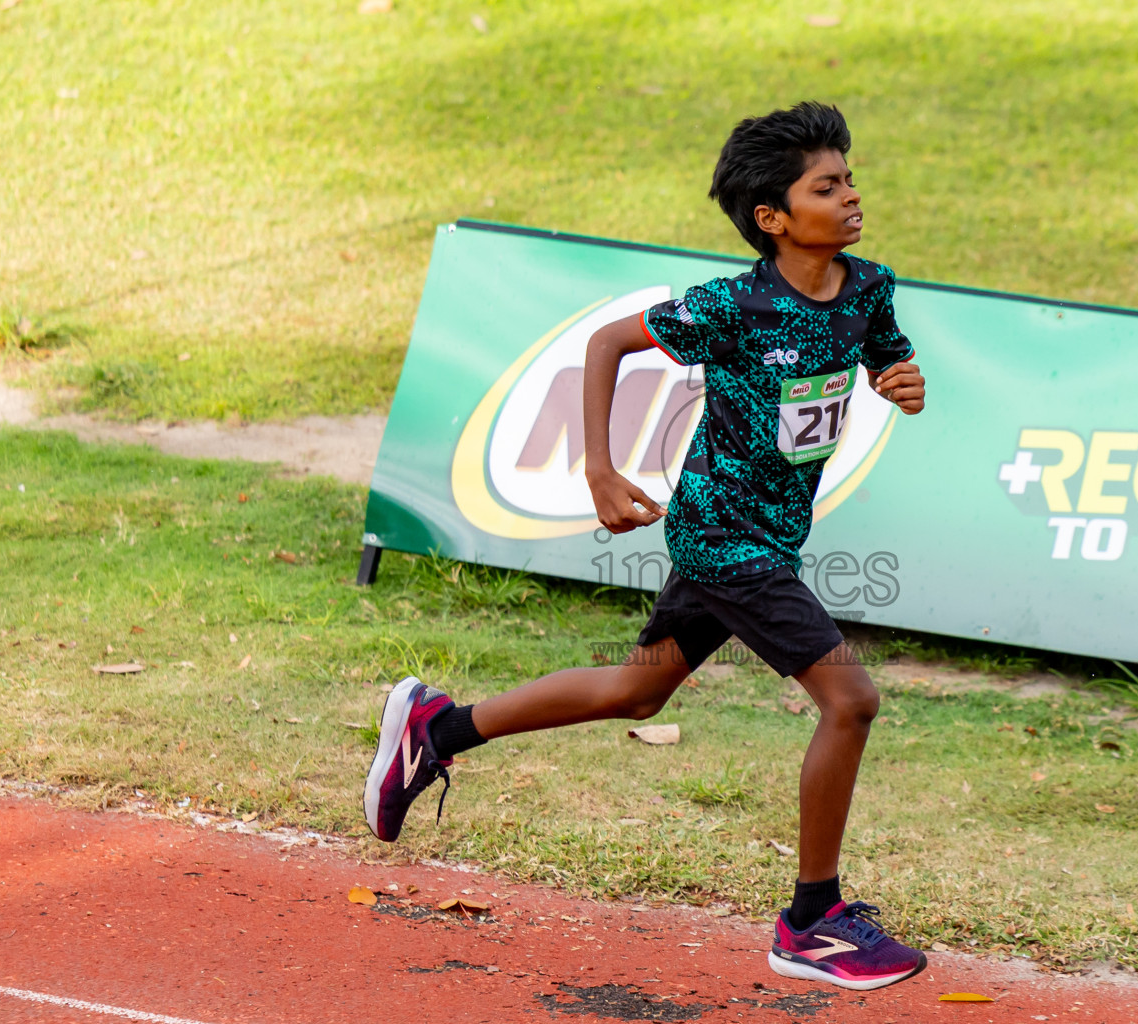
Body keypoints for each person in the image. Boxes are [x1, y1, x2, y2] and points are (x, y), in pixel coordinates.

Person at [363, 100, 928, 991]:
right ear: (774, 219)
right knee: (850, 700)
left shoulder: (868, 288)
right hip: (721, 537)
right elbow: (607, 343)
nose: (852, 195)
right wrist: (599, 467)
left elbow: (883, 361)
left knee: (638, 689)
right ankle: (812, 920)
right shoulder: (733, 305)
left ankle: (439, 728)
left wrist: (900, 383)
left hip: (773, 537)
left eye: (851, 177)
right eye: (829, 185)